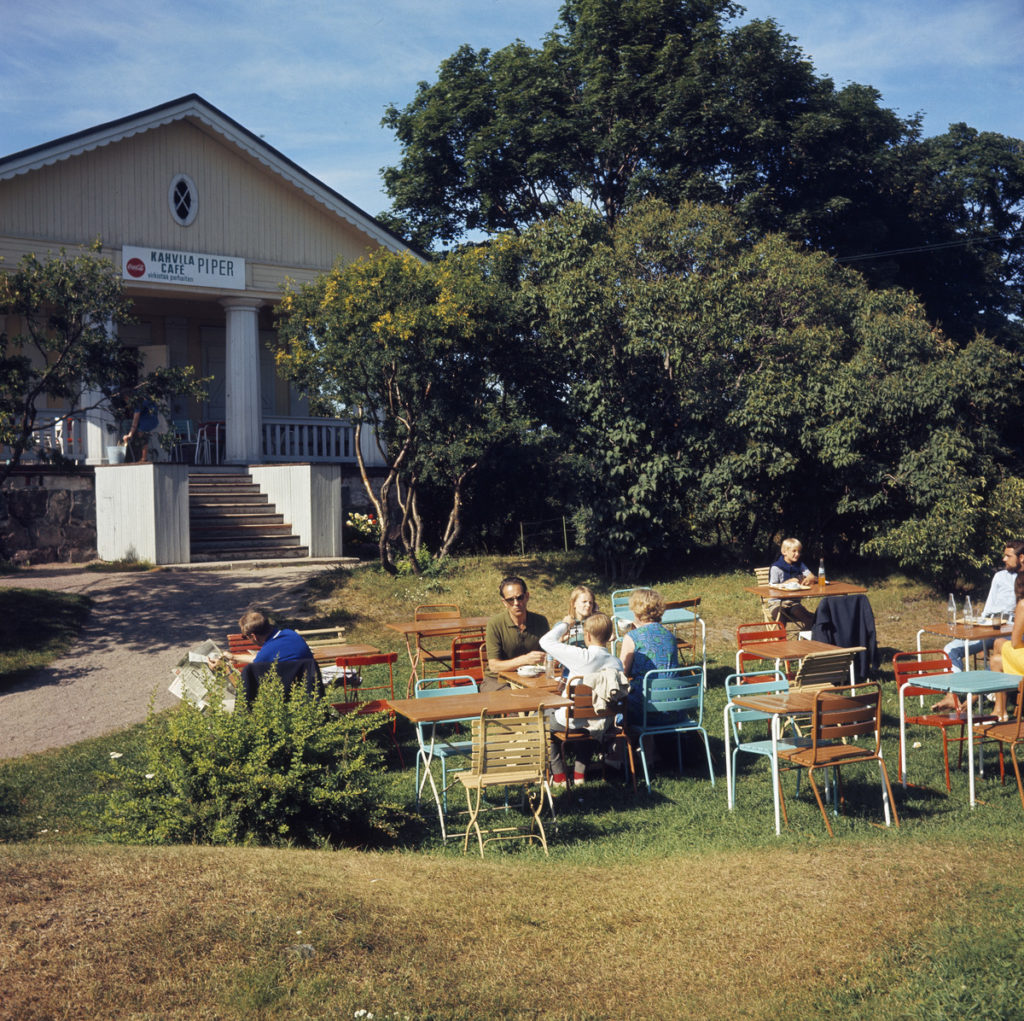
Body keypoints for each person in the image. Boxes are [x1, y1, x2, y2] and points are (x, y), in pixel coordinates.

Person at [932, 540, 1024, 710]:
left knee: (999, 652)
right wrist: (978, 624)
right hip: (990, 624)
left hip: (1013, 626)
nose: (1004, 559)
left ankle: (974, 696)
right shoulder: (999, 576)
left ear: (1021, 558)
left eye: (1008, 556)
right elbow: (988, 607)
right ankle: (953, 695)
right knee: (950, 649)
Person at [540, 611, 622, 786]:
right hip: (602, 721)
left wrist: (564, 624)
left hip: (572, 721)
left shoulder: (581, 656)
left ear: (587, 635)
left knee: (543, 718)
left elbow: (545, 641)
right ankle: (579, 776)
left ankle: (560, 776)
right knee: (586, 721)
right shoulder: (616, 663)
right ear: (609, 637)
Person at [229, 609, 319, 705]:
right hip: (311, 695)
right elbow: (260, 658)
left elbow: (246, 687)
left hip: (283, 704)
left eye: (245, 637)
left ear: (254, 636)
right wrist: (234, 657)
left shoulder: (265, 653)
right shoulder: (292, 634)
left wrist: (224, 669)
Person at [619, 587, 679, 723]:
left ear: (637, 611)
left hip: (645, 707)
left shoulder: (632, 637)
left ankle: (630, 743)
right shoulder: (670, 636)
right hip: (675, 707)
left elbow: (621, 673)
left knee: (614, 705)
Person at [483, 576, 550, 692]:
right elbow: (494, 666)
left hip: (531, 677)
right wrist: (525, 660)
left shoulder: (540, 621)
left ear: (527, 596)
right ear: (504, 602)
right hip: (498, 680)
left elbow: (548, 656)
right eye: (510, 600)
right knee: (516, 702)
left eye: (520, 598)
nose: (516, 603)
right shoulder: (495, 624)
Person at [991, 571, 1024, 720]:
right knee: (999, 647)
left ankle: (1000, 709)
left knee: (996, 655)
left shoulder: (1022, 605)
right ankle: (1001, 707)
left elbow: (1016, 642)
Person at [767, 538, 816, 630]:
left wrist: (808, 578)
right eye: (794, 551)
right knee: (781, 620)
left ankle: (802, 639)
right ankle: (781, 642)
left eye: (799, 551)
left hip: (793, 603)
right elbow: (772, 587)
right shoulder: (776, 567)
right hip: (777, 603)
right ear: (784, 552)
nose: (797, 554)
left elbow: (812, 576)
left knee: (810, 619)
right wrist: (787, 583)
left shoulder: (799, 565)